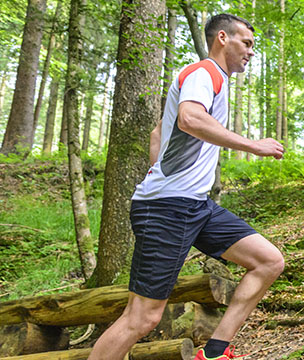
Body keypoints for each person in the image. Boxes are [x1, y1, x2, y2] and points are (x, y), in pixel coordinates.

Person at [88, 14, 285, 360]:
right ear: (222, 38)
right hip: (167, 209)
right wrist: (253, 145)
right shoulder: (204, 73)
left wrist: (162, 173)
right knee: (142, 318)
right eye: (247, 43)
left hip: (193, 205)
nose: (251, 52)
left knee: (268, 261)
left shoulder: (215, 80)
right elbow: (189, 119)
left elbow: (157, 135)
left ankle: (214, 351)